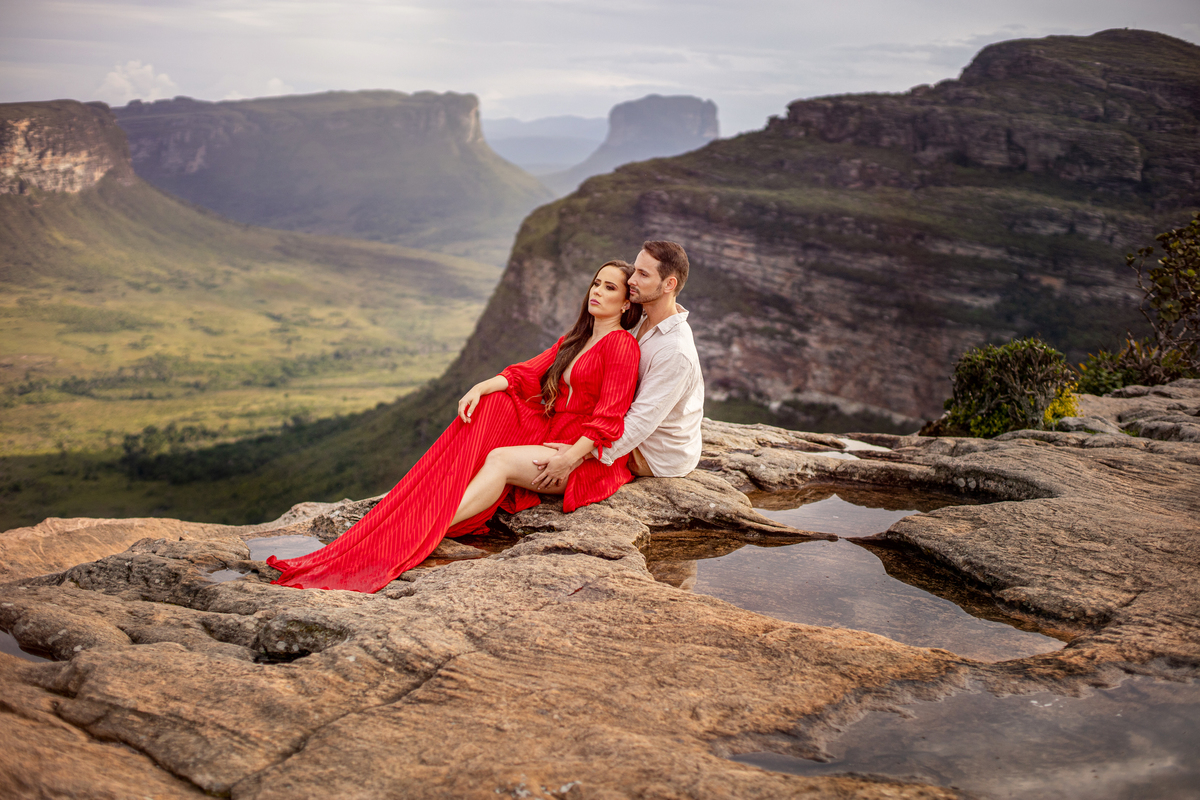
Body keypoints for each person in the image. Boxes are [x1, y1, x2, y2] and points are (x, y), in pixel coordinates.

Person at [267, 261, 643, 593]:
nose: (597, 291)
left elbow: (609, 418)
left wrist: (570, 459)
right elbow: (526, 375)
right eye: (596, 283)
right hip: (553, 439)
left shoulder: (621, 345)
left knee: (498, 459)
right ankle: (436, 494)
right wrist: (480, 387)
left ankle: (427, 526)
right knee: (493, 404)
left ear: (626, 302)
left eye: (610, 287)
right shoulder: (578, 339)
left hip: (582, 459)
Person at [532, 240, 703, 486]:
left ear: (669, 284)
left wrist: (574, 456)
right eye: (635, 270)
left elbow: (641, 421)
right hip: (617, 425)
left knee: (531, 457)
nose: (631, 280)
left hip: (653, 453)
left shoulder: (675, 351)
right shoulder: (640, 318)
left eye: (643, 274)